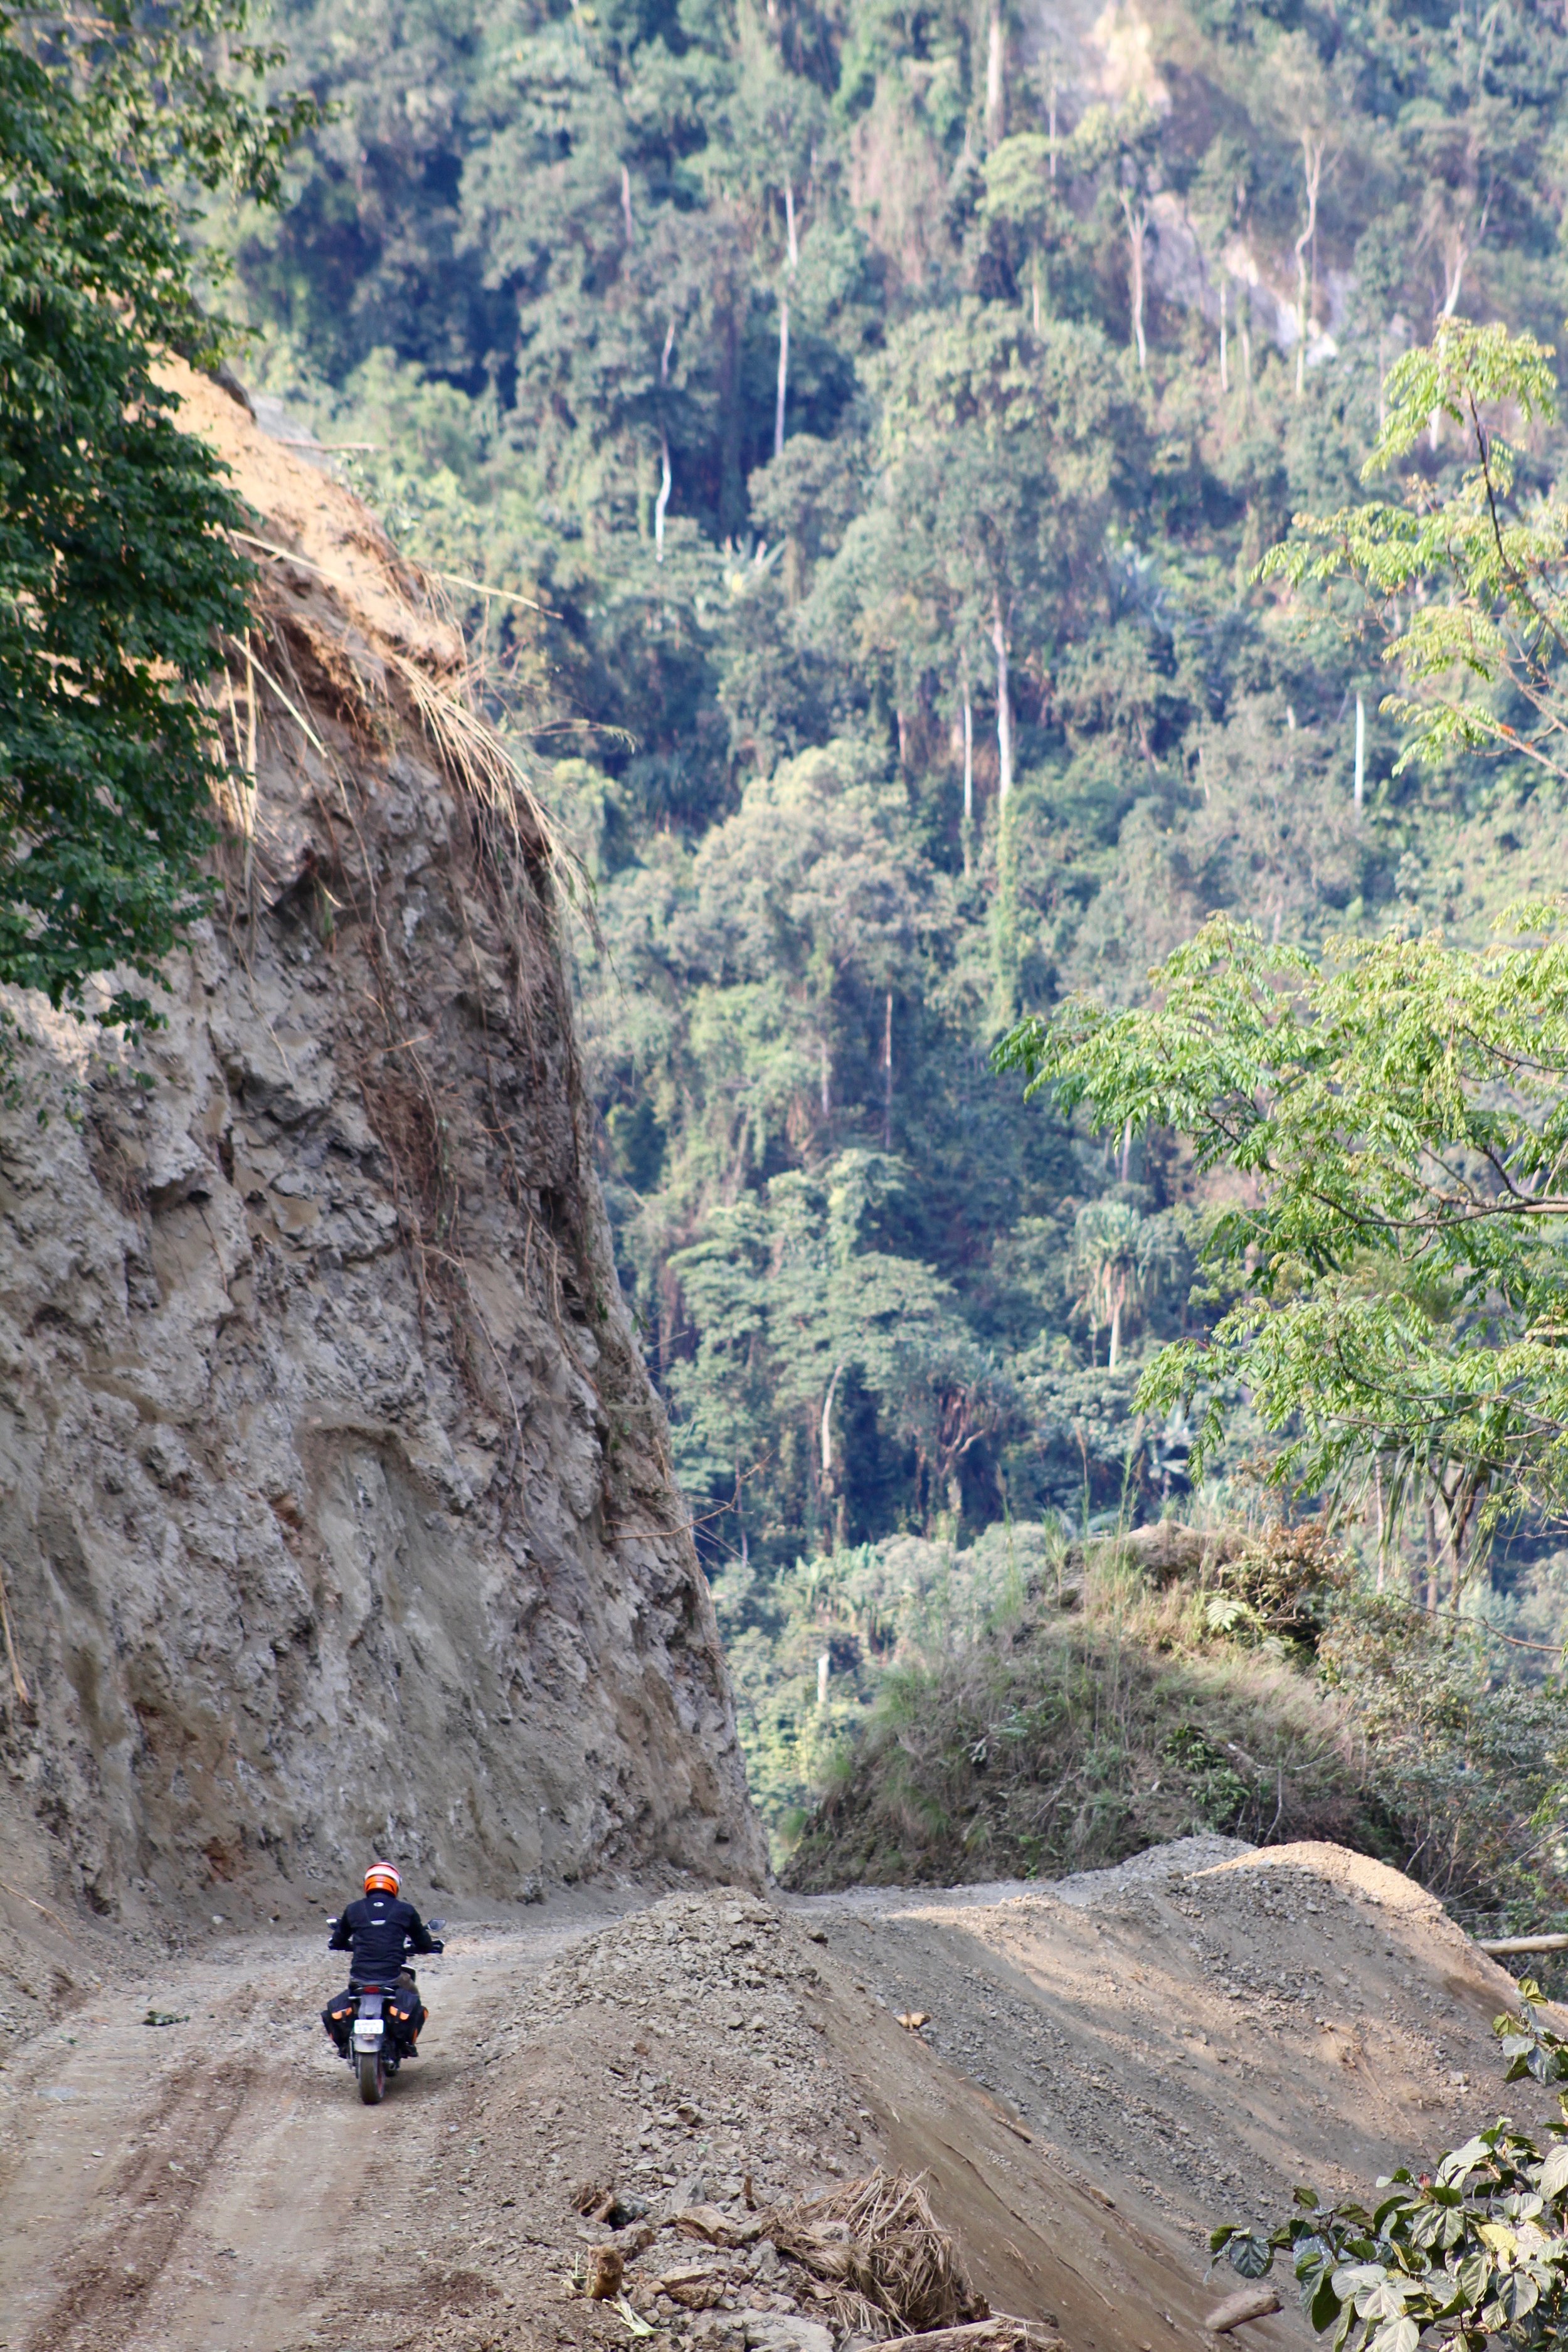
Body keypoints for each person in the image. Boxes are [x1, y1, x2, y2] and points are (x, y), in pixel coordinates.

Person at [321, 1862, 442, 2058]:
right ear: (395, 1884)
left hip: (360, 1977)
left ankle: (345, 2045)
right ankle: (406, 2043)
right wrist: (427, 1947)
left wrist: (344, 1944)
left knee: (349, 2000)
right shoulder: (405, 1910)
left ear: (367, 1883)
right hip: (392, 1977)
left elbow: (337, 1941)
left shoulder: (353, 1909)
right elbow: (424, 1942)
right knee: (413, 1996)